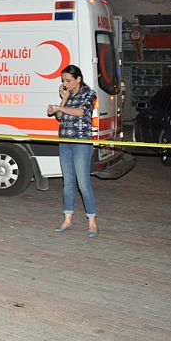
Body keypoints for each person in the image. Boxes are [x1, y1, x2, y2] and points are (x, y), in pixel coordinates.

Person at [47, 64, 99, 238]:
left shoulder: (89, 94)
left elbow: (80, 112)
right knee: (68, 183)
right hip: (65, 142)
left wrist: (58, 107)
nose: (65, 84)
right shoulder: (68, 94)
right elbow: (59, 117)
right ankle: (67, 219)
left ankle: (92, 222)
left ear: (78, 79)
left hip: (81, 142)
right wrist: (63, 100)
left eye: (68, 80)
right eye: (63, 81)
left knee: (83, 184)